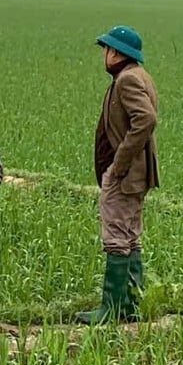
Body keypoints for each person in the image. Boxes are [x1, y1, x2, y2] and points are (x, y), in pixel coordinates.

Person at [76, 25, 159, 324]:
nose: (104, 56)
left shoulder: (127, 80)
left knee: (116, 238)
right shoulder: (136, 76)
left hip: (126, 174)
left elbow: (146, 119)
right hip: (134, 174)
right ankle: (131, 305)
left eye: (107, 50)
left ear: (116, 53)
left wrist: (119, 163)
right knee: (131, 236)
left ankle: (111, 308)